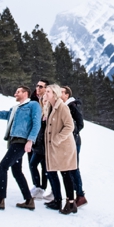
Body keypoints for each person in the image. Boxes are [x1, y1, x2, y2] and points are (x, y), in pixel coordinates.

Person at [0, 85, 41, 211]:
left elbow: (36, 124)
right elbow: (3, 114)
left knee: (2, 166)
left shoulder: (33, 105)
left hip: (21, 142)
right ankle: (29, 200)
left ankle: (0, 200)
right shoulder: (15, 109)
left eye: (18, 92)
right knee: (16, 171)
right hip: (13, 142)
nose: (15, 94)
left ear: (26, 93)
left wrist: (30, 141)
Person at [42, 84, 79, 214]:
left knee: (66, 174)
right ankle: (69, 203)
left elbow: (70, 126)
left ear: (55, 94)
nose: (45, 93)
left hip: (64, 147)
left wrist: (57, 139)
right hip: (56, 147)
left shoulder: (62, 107)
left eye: (48, 92)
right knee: (63, 173)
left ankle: (70, 203)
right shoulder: (50, 106)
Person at [61, 85, 87, 207]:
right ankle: (77, 194)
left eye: (62, 92)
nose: (59, 94)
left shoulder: (72, 107)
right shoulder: (65, 107)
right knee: (70, 168)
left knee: (73, 168)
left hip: (74, 142)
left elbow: (80, 124)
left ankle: (80, 195)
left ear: (67, 95)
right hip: (68, 142)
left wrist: (72, 132)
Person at [28, 79, 50, 197]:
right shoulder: (33, 99)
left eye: (41, 86)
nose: (38, 88)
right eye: (37, 86)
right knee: (32, 162)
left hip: (43, 140)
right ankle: (37, 186)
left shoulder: (49, 102)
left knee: (43, 166)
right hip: (33, 137)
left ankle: (42, 188)